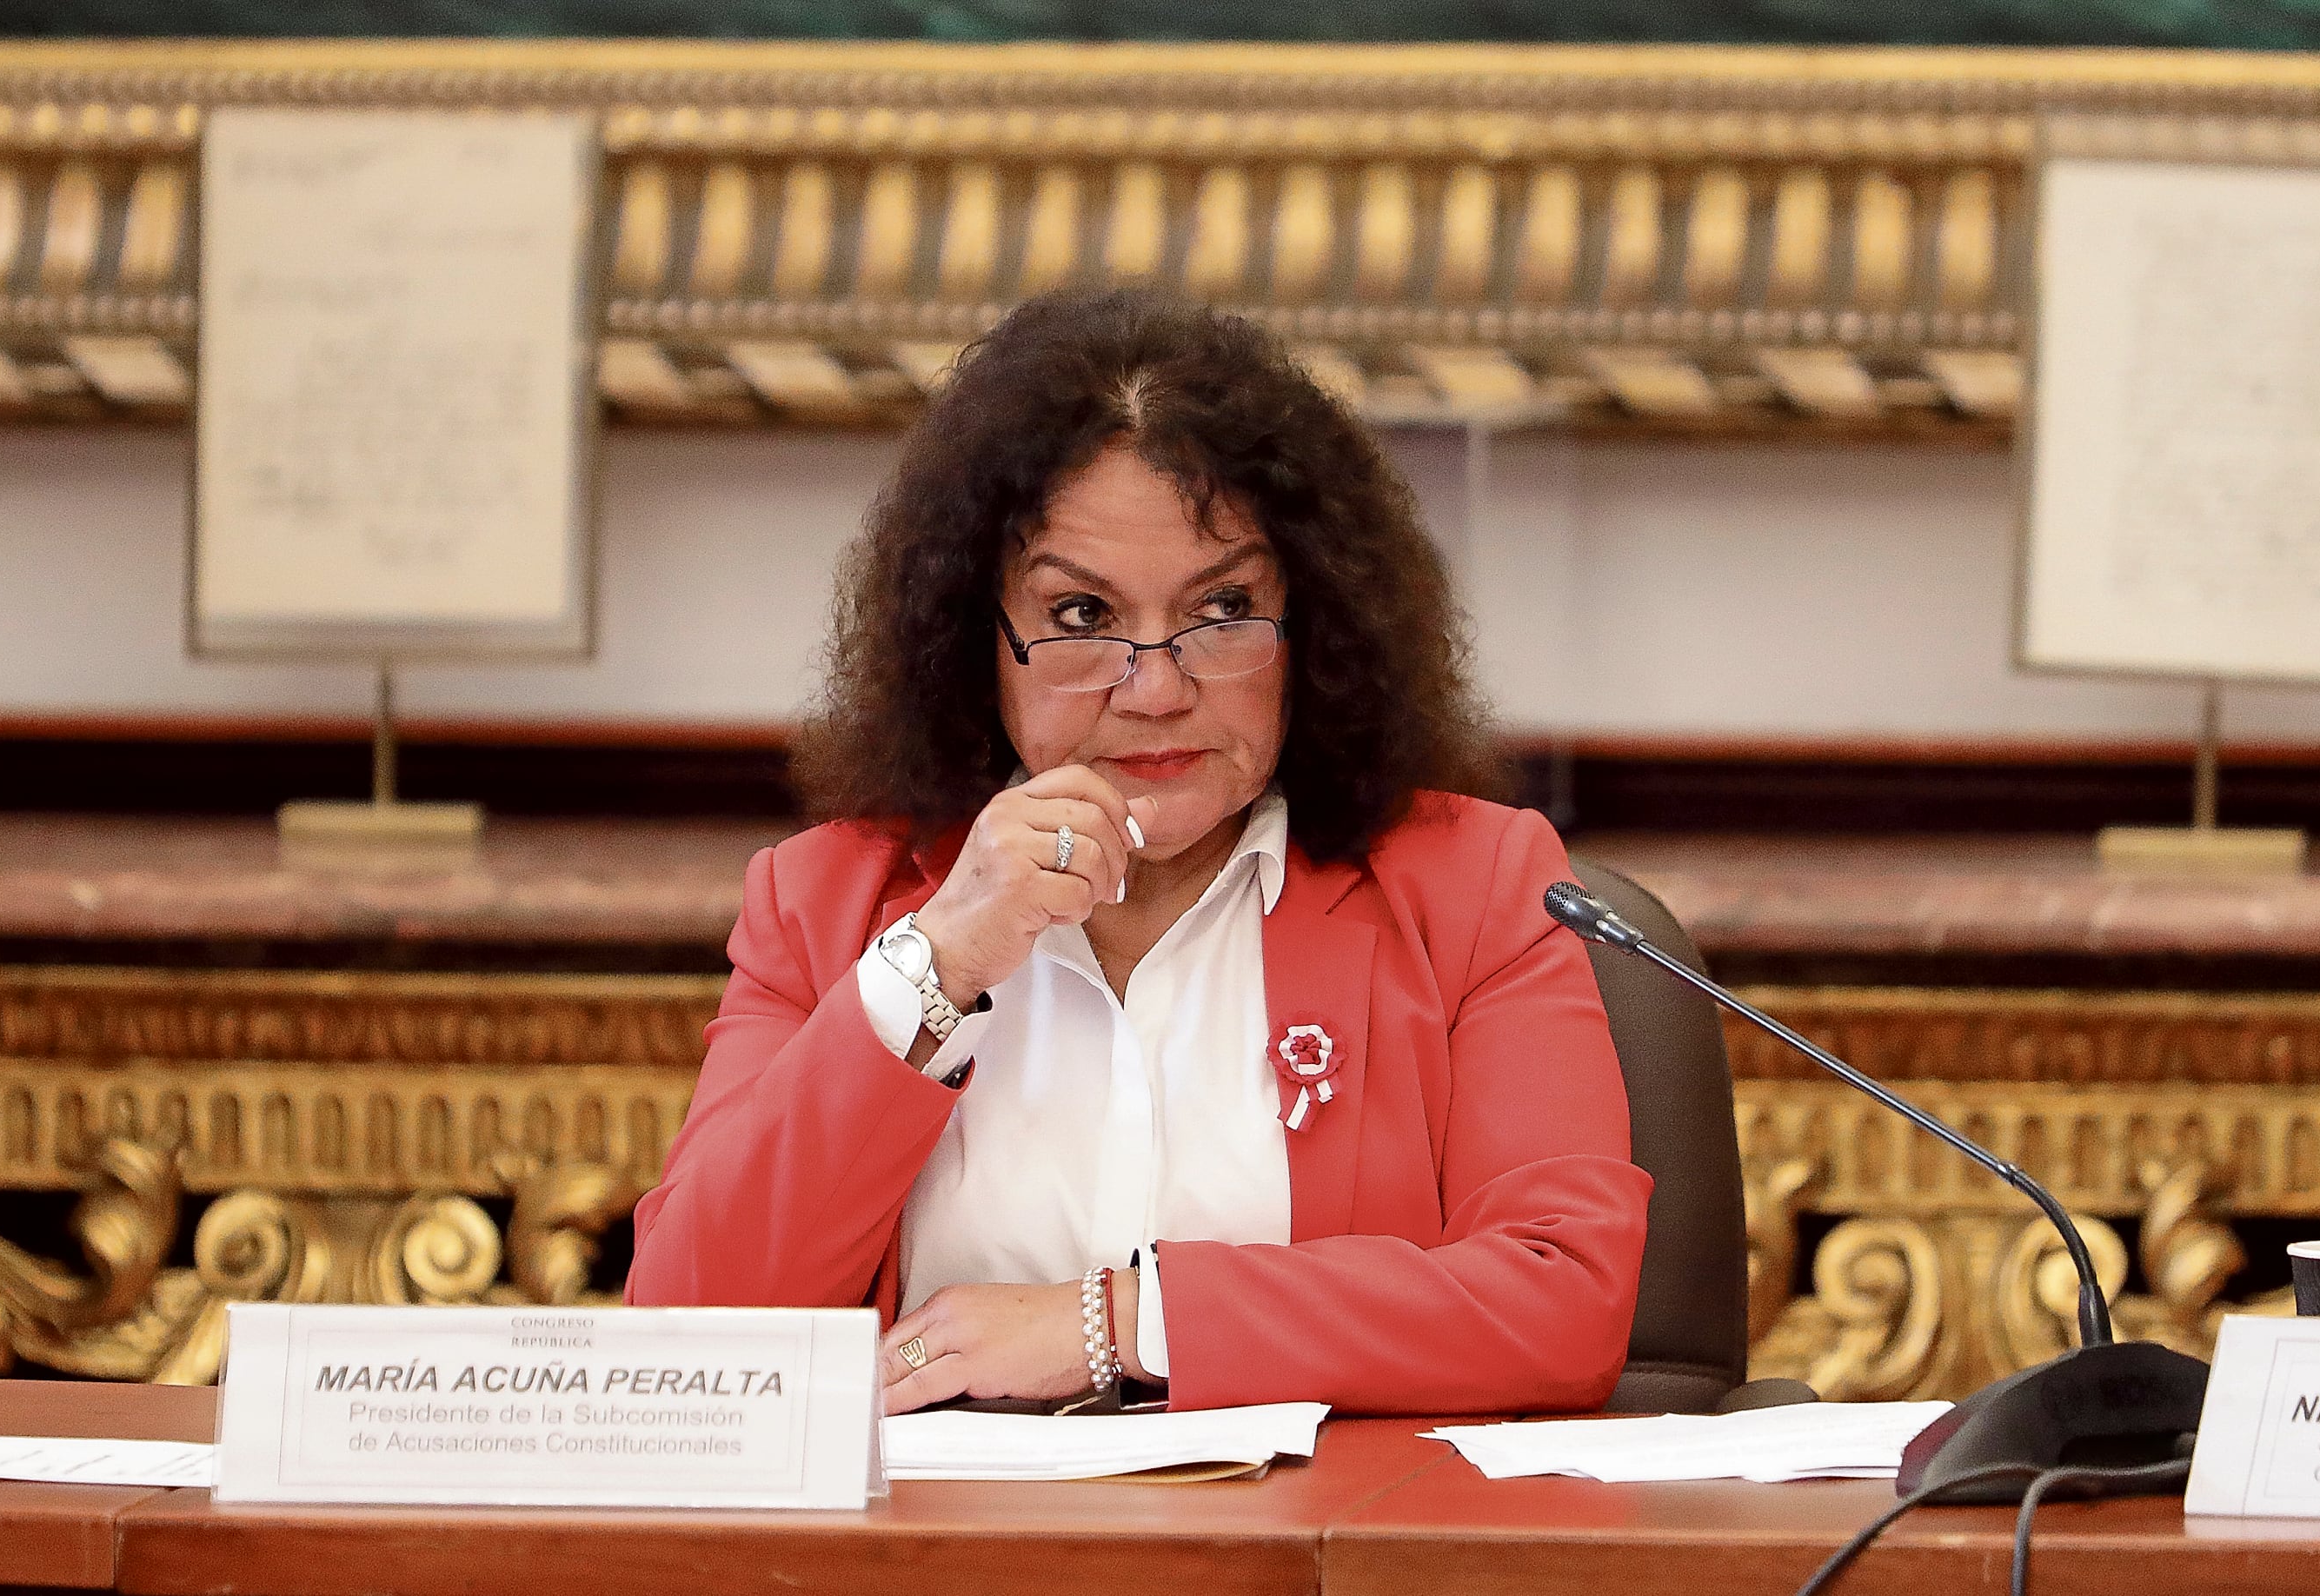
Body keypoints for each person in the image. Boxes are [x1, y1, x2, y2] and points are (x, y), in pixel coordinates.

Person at [625, 288, 1651, 1416]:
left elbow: (1562, 1299)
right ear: (979, 639)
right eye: (1079, 618)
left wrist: (1119, 1322)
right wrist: (939, 964)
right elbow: (690, 1343)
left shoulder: (1473, 889)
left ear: (1318, 627)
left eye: (1222, 609)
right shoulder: (829, 904)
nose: (1156, 690)